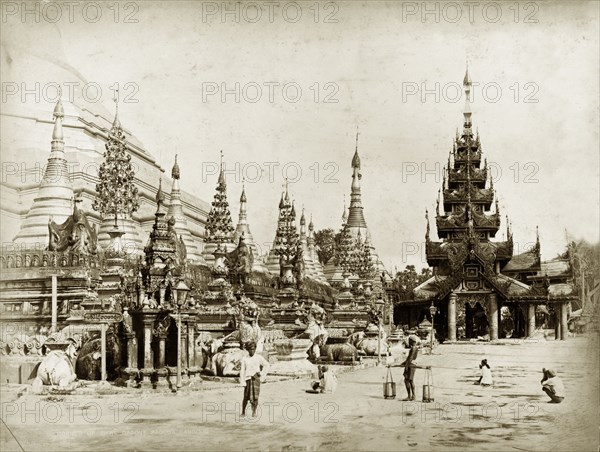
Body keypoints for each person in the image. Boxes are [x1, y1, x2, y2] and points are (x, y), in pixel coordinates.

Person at [390, 336, 429, 401]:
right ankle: (412, 396)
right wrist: (403, 363)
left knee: (407, 380)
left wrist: (406, 366)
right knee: (410, 380)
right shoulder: (414, 348)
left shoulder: (413, 348)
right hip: (411, 364)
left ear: (412, 341)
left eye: (409, 341)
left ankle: (410, 396)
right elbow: (409, 358)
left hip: (411, 365)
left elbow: (410, 358)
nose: (409, 342)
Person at [239, 341, 270, 417]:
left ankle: (254, 412)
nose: (252, 351)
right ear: (248, 350)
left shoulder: (258, 357)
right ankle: (243, 411)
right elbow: (242, 370)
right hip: (248, 379)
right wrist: (242, 381)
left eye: (253, 349)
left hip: (256, 379)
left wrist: (262, 373)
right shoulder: (244, 359)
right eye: (250, 349)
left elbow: (267, 365)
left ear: (255, 349)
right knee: (246, 397)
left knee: (255, 397)